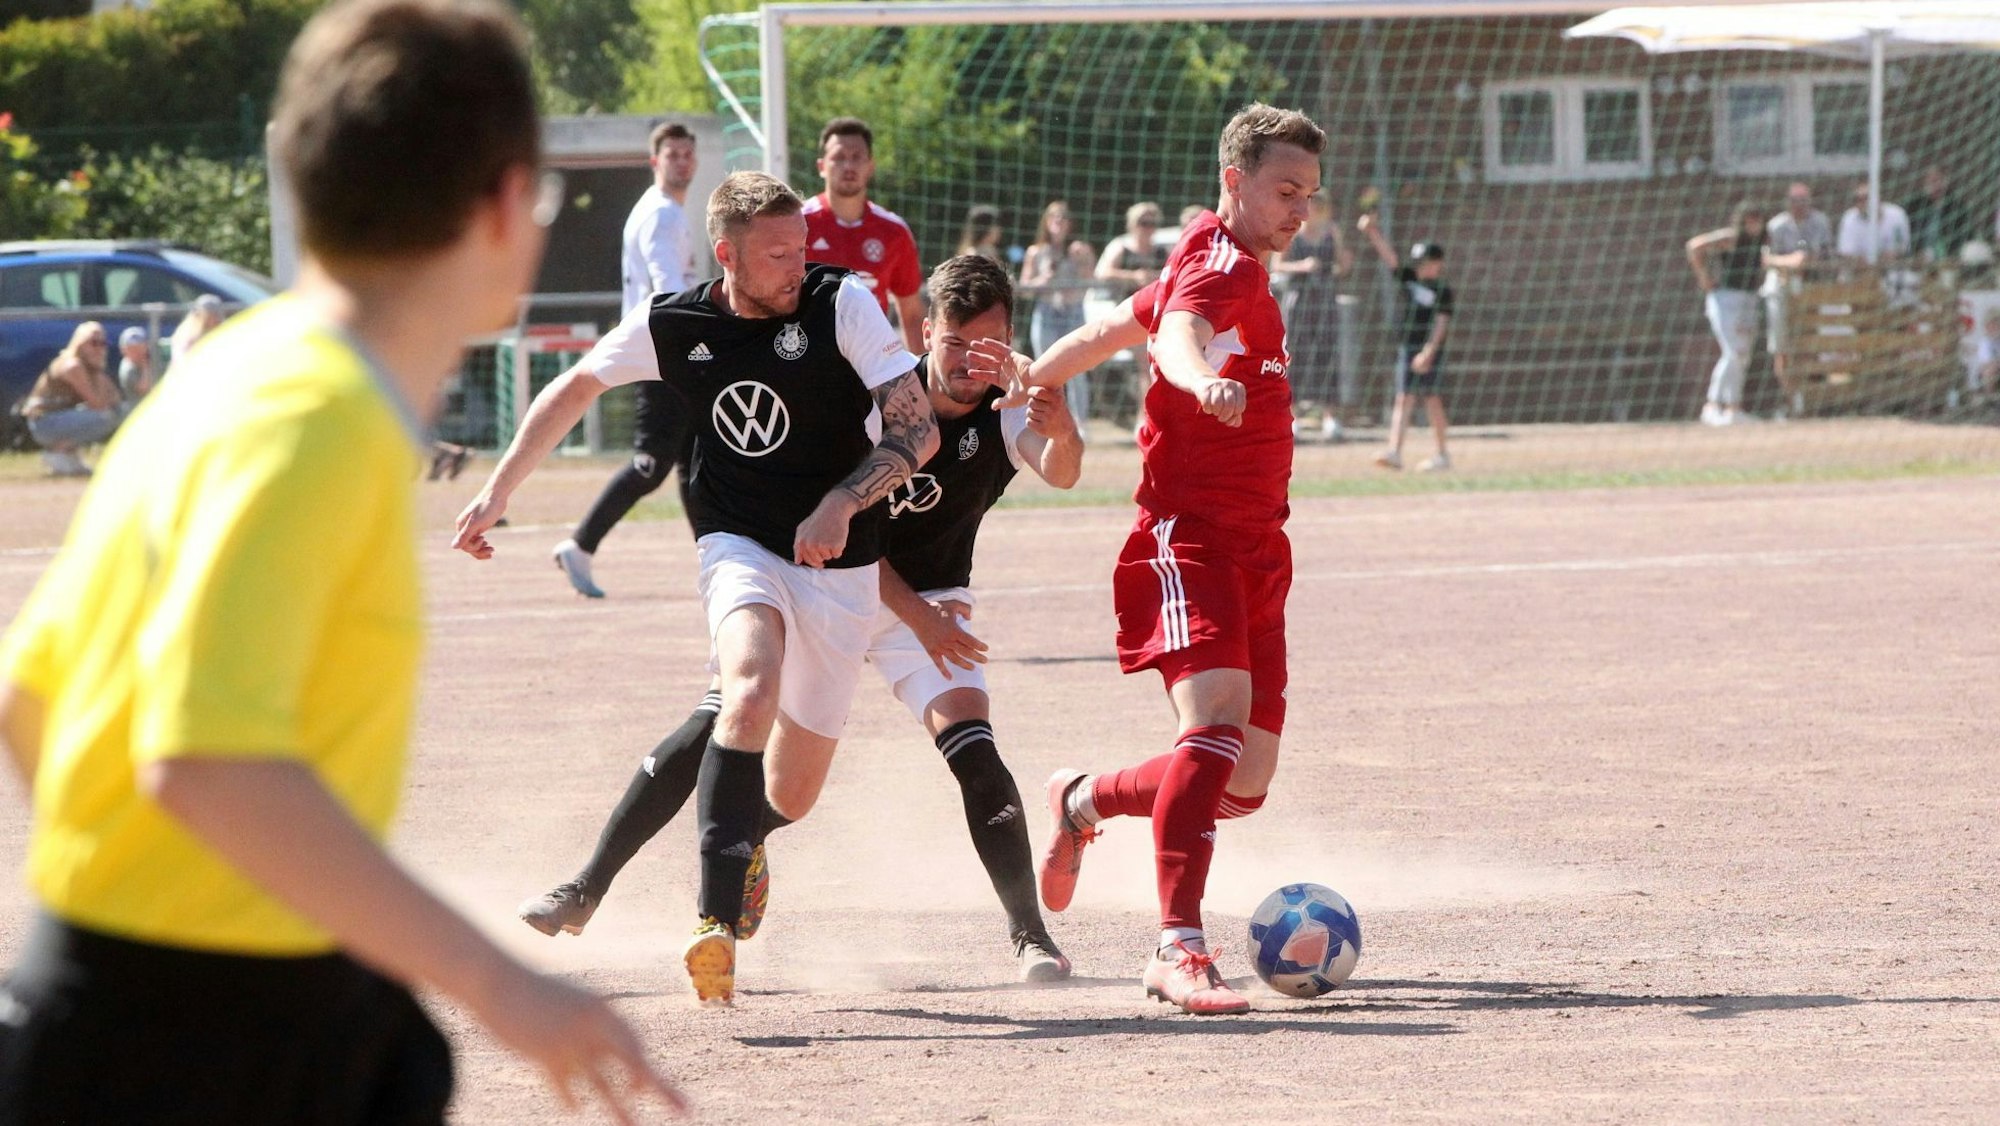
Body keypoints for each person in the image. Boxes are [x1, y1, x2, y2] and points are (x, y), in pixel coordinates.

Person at [0, 3, 681, 1123]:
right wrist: (502, 985)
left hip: (137, 1003)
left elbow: (36, 703)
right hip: (201, 1046)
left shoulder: (229, 378)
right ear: (509, 203)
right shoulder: (323, 418)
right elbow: (208, 760)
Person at [513, 255, 1084, 982]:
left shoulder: (1006, 416)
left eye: (991, 341)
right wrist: (919, 619)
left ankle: (1030, 936)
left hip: (932, 604)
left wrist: (1062, 429)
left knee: (961, 754)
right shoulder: (880, 401)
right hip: (839, 585)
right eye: (956, 341)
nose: (974, 359)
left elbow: (1061, 469)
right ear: (925, 331)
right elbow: (836, 533)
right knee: (723, 714)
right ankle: (586, 885)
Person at [453, 171, 939, 1006]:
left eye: (802, 248)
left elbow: (917, 428)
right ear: (728, 256)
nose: (798, 263)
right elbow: (575, 388)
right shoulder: (675, 322)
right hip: (738, 539)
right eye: (778, 253)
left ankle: (742, 847)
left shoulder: (842, 303)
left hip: (843, 565)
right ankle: (713, 926)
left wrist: (842, 499)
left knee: (792, 792)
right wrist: (499, 491)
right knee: (743, 693)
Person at [969, 103, 1327, 1015]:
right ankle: (1177, 948)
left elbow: (1115, 330)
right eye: (1285, 191)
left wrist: (1037, 377)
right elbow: (1171, 338)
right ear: (1233, 181)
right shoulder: (1214, 263)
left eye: (1309, 196)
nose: (1299, 210)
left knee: (1239, 782)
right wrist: (1196, 376)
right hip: (1189, 536)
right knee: (1212, 729)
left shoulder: (1225, 260)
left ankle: (1082, 800)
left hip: (1258, 550)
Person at [550, 120, 701, 599]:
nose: (680, 161)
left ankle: (716, 556)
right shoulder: (662, 216)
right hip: (662, 354)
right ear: (654, 161)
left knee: (695, 456)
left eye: (686, 153)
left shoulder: (663, 211)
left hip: (662, 350)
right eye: (671, 153)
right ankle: (580, 544)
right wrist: (698, 340)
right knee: (652, 462)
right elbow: (669, 288)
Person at [802, 117, 925, 354]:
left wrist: (922, 378)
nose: (848, 165)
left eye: (857, 157)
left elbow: (911, 312)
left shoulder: (894, 231)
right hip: (809, 353)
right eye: (838, 157)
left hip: (872, 358)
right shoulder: (798, 224)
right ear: (821, 167)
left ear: (871, 166)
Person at [1359, 215, 1455, 470]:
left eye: (1427, 263)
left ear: (1437, 264)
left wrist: (1429, 351)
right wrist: (1372, 232)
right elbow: (1390, 259)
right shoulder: (1411, 279)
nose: (1422, 267)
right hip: (1408, 348)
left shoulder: (1443, 290)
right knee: (1404, 398)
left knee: (1432, 399)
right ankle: (1394, 452)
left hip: (1428, 351)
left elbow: (1441, 323)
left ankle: (1442, 454)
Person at [1270, 192, 1352, 439]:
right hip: (1299, 300)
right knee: (1295, 355)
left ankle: (1330, 417)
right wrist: (1302, 266)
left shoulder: (1332, 232)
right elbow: (1277, 266)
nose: (1315, 208)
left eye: (1319, 204)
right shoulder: (1293, 231)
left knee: (1328, 354)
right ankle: (1291, 415)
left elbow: (1343, 266)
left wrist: (1342, 265)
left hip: (1325, 300)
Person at [1686, 202, 1770, 426]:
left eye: (1758, 219)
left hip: (1748, 299)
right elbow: (1695, 246)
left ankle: (1733, 408)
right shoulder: (1730, 238)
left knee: (1741, 356)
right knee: (1733, 351)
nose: (1754, 224)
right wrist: (1704, 278)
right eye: (1750, 219)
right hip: (1725, 299)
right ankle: (1713, 406)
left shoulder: (1762, 241)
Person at [1018, 200, 1097, 428]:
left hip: (1072, 312)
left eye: (1063, 218)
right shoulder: (1036, 252)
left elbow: (1090, 280)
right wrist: (1042, 280)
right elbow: (1024, 288)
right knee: (1045, 370)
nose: (1059, 223)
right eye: (1054, 218)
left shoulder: (1081, 249)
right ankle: (1046, 422)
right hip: (1046, 312)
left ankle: (1081, 424)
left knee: (1077, 372)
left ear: (1070, 224)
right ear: (1047, 222)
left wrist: (1081, 261)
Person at [18, 321, 122, 477]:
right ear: (80, 344)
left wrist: (98, 370)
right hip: (43, 422)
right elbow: (98, 404)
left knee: (117, 412)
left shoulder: (88, 366)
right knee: (106, 417)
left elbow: (116, 398)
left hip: (59, 417)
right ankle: (57, 453)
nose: (100, 348)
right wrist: (99, 371)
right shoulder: (72, 366)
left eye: (103, 343)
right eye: (94, 343)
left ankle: (68, 454)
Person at [1762, 183, 1832, 398]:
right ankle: (1790, 397)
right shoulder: (1777, 225)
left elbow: (1826, 252)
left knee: (1811, 343)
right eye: (1795, 201)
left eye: (1803, 201)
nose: (1799, 206)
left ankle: (1812, 397)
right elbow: (1766, 258)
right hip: (1782, 287)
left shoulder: (1820, 222)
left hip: (1811, 287)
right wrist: (1790, 261)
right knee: (1782, 346)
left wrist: (1807, 260)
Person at [1905, 164, 1979, 262]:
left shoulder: (1956, 205)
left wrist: (1953, 253)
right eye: (1931, 182)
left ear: (1945, 181)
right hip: (1925, 253)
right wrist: (1919, 252)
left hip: (1950, 253)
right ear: (1924, 185)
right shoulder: (1916, 207)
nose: (1936, 186)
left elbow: (1967, 234)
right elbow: (1912, 234)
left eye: (1938, 180)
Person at [1095, 200, 1166, 299]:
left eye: (1152, 223)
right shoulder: (1120, 247)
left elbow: (1173, 274)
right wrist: (1134, 276)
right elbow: (1102, 273)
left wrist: (1154, 276)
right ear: (1132, 224)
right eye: (1143, 223)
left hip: (1152, 304)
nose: (1148, 228)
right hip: (1121, 302)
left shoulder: (1162, 252)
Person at [1837, 180, 1911, 265]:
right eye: (1858, 199)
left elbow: (1901, 248)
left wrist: (1880, 261)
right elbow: (1847, 254)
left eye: (1865, 198)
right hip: (1858, 270)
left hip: (1891, 268)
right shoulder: (1849, 218)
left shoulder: (1897, 214)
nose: (1862, 203)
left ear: (1878, 198)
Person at [168, 293, 224, 366]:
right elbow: (181, 361)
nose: (216, 319)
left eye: (217, 315)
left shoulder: (218, 331)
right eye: (213, 315)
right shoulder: (188, 332)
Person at [115, 325, 155, 400]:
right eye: (132, 349)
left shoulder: (153, 359)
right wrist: (145, 366)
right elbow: (145, 389)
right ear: (124, 351)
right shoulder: (127, 369)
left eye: (140, 347)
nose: (137, 352)